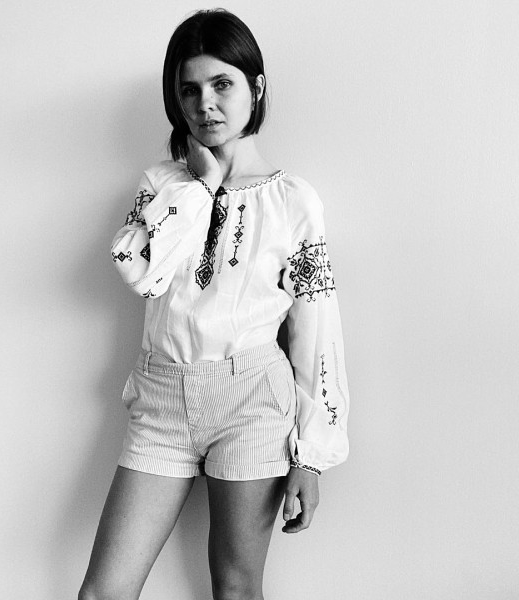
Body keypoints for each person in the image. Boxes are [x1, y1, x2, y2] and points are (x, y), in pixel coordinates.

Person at [79, 8, 350, 600]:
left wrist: (312, 454)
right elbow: (140, 273)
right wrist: (200, 185)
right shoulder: (162, 186)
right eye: (190, 90)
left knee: (235, 588)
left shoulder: (294, 202)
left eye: (222, 84)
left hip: (253, 401)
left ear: (256, 87)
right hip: (161, 399)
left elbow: (316, 326)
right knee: (104, 591)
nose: (206, 104)